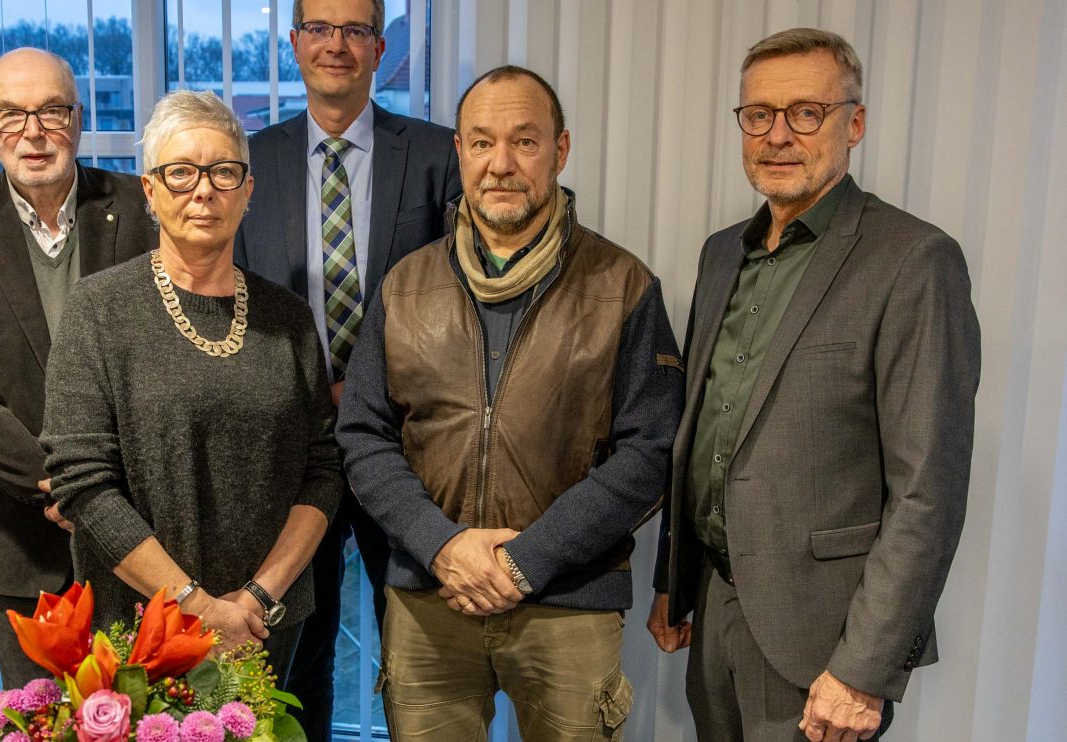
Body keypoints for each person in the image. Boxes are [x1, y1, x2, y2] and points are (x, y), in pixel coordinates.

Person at [647, 28, 980, 742]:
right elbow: (702, 433)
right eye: (759, 114)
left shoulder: (914, 261)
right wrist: (673, 582)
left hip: (825, 639)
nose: (778, 135)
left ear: (853, 124)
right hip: (717, 603)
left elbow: (929, 489)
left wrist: (864, 670)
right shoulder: (720, 255)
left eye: (806, 112)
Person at [337, 65, 685, 741]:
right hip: (428, 597)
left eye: (525, 142)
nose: (501, 163)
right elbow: (363, 435)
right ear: (459, 152)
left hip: (569, 603)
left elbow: (651, 450)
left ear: (560, 150)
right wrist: (443, 548)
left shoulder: (624, 285)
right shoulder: (404, 286)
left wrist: (529, 558)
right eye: (482, 142)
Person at [39, 90, 342, 684]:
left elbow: (323, 467)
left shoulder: (288, 316)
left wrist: (253, 598)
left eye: (224, 172)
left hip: (266, 621)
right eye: (180, 173)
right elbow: (83, 481)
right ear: (150, 191)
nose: (203, 190)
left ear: (247, 191)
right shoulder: (98, 310)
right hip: (142, 621)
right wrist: (199, 606)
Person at [234, 0, 461, 736]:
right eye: (320, 30)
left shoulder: (436, 155)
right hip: (290, 453)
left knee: (424, 653)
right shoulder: (248, 162)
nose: (337, 45)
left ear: (379, 46)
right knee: (295, 651)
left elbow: (461, 302)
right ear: (294, 43)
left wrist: (363, 388)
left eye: (355, 30)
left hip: (408, 449)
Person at [0, 47, 157, 689]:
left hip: (141, 522)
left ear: (79, 115)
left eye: (50, 110)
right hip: (14, 527)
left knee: (153, 712)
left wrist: (103, 492)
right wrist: (57, 484)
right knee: (39, 716)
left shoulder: (144, 210)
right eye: (12, 115)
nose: (34, 133)